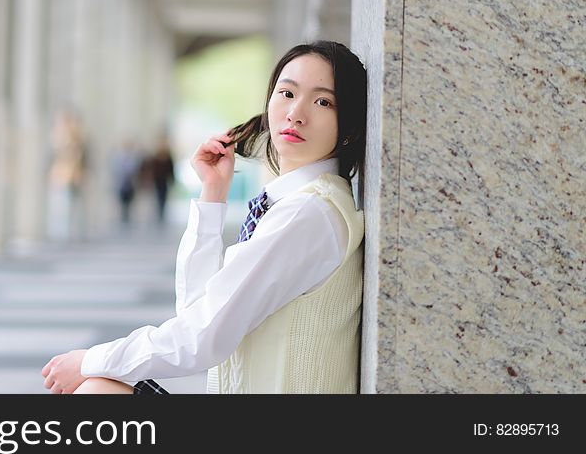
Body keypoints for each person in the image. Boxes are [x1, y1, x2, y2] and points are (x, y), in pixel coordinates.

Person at [41, 40, 367, 394]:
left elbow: (203, 337)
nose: (296, 113)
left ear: (348, 127)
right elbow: (199, 311)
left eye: (323, 102)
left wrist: (91, 360)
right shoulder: (297, 204)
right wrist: (213, 195)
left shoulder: (307, 214)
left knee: (95, 389)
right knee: (99, 388)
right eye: (287, 93)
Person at [46, 109, 87, 241]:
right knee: (60, 203)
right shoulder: (56, 138)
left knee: (73, 203)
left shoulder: (79, 138)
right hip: (60, 175)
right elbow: (52, 157)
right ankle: (59, 230)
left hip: (74, 175)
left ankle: (71, 230)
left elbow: (83, 157)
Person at [141, 133, 176, 225]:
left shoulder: (168, 156)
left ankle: (162, 213)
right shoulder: (154, 156)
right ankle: (158, 212)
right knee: (158, 196)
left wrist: (172, 180)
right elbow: (150, 168)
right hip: (156, 180)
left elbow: (171, 168)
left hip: (164, 181)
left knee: (163, 197)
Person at [112, 138, 141, 226]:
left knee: (129, 201)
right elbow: (116, 170)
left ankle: (127, 217)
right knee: (122, 201)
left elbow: (135, 170)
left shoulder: (133, 158)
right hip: (121, 184)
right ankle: (123, 217)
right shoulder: (118, 157)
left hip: (130, 184)